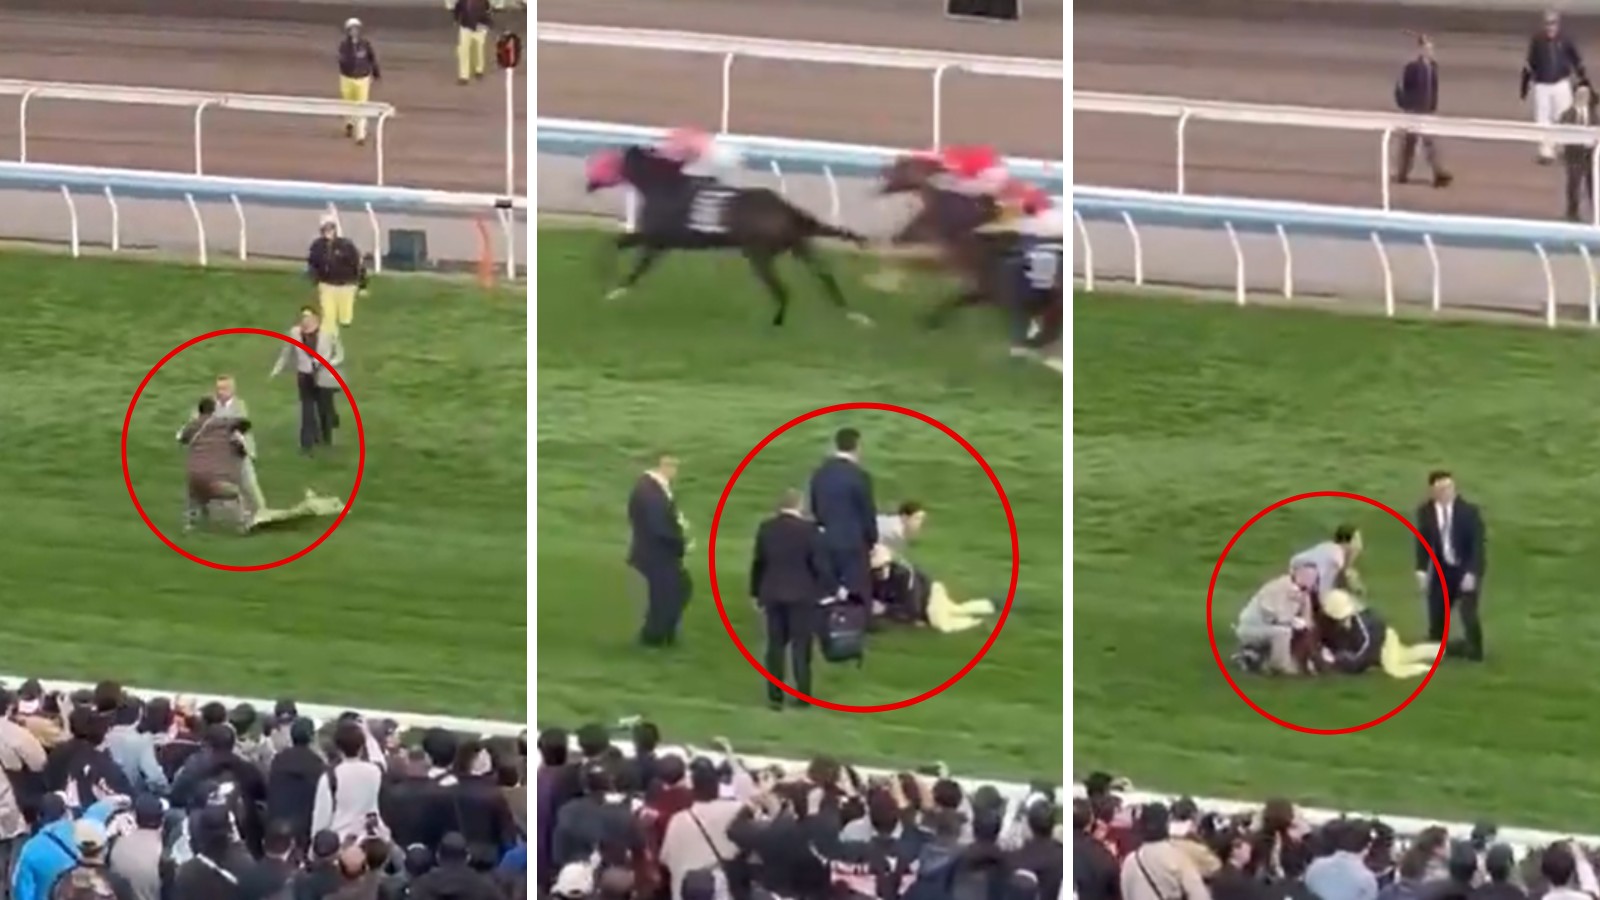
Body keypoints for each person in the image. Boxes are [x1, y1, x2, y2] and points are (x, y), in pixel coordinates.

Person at [749, 488, 833, 709]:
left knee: (775, 646)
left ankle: (775, 695)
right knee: (801, 646)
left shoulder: (766, 528)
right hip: (802, 595)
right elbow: (819, 564)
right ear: (799, 505)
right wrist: (828, 589)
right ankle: (803, 694)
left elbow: (759, 563)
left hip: (773, 594)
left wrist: (755, 592)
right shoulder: (809, 531)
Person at [1413, 470, 1487, 661]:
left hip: (1465, 569)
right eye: (1441, 489)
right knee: (1437, 612)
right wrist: (1421, 570)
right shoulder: (1426, 512)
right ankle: (1439, 645)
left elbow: (1477, 545)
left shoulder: (1469, 512)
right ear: (1432, 491)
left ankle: (1475, 650)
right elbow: (1423, 542)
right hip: (1443, 570)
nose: (1446, 492)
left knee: (1467, 611)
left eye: (1449, 488)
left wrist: (1471, 572)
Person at [628, 454, 692, 648]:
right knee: (671, 593)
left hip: (655, 551)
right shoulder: (650, 492)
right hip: (656, 553)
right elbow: (658, 526)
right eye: (673, 466)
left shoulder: (652, 488)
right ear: (663, 466)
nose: (675, 472)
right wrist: (681, 542)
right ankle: (654, 637)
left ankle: (662, 635)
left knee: (674, 591)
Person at [808, 428, 878, 604]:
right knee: (856, 589)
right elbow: (866, 511)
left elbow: (814, 506)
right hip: (853, 541)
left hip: (826, 538)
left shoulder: (820, 474)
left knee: (829, 588)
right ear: (857, 447)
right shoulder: (859, 476)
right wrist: (872, 539)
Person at [270, 307, 345, 455]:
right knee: (307, 409)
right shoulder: (294, 333)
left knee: (324, 408)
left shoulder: (329, 332)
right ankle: (306, 444)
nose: (305, 320)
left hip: (323, 374)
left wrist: (327, 363)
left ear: (316, 319)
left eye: (308, 317)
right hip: (305, 375)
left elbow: (340, 354)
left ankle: (326, 438)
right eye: (303, 317)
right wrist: (276, 369)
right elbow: (286, 353)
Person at [1318, 589, 1440, 678]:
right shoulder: (1333, 624)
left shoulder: (1363, 624)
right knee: (1405, 655)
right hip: (1377, 643)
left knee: (1395, 669)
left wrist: (1338, 659)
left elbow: (1364, 653)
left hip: (1385, 641)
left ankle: (1427, 668)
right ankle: (1438, 650)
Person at [178, 397, 254, 533]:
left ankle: (190, 524)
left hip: (195, 478)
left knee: (195, 495)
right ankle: (243, 525)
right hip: (216, 480)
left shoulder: (193, 426)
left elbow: (181, 438)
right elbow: (245, 423)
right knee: (235, 494)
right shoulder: (223, 424)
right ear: (214, 410)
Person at [1522, 10, 1586, 162]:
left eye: (1553, 24)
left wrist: (1582, 80)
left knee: (1564, 116)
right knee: (1543, 119)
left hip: (1561, 84)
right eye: (1547, 24)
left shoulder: (1566, 40)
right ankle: (1546, 151)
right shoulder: (1537, 41)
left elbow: (1576, 61)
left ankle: (1565, 148)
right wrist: (1524, 86)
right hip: (1542, 85)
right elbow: (1530, 65)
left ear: (1558, 25)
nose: (1550, 27)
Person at [1233, 563, 1319, 675]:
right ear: (1296, 574)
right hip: (1254, 627)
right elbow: (1271, 615)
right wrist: (1291, 621)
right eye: (1307, 576)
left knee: (1302, 632)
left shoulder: (1303, 593)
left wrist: (1304, 618)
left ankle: (1255, 658)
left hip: (1272, 627)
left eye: (1313, 577)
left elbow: (1308, 620)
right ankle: (1280, 666)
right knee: (1283, 632)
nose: (1310, 580)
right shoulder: (1277, 587)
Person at [1393, 34, 1452, 188]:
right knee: (1411, 144)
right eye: (1427, 48)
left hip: (1426, 112)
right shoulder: (1412, 68)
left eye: (1431, 48)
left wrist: (1432, 107)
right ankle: (1404, 173)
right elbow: (1403, 89)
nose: (1430, 51)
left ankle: (1437, 173)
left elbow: (1434, 89)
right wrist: (1407, 107)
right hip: (1414, 112)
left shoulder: (1432, 67)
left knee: (1426, 143)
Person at [306, 216, 367, 334]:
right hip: (326, 285)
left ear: (335, 229)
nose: (328, 231)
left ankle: (344, 328)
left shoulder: (346, 245)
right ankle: (329, 337)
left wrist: (362, 284)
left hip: (346, 285)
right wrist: (315, 278)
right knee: (328, 317)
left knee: (345, 319)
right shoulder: (317, 246)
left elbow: (357, 265)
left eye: (330, 228)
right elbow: (313, 263)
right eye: (325, 229)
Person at [1289, 524, 1366, 606]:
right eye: (1356, 541)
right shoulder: (1335, 559)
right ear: (1345, 542)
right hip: (1297, 594)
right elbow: (1322, 592)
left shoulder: (1327, 547)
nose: (1359, 547)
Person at [337, 17, 381, 145]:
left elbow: (372, 59)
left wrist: (376, 73)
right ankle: (349, 123)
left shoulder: (365, 45)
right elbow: (341, 61)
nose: (354, 31)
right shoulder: (344, 46)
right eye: (351, 29)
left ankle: (360, 135)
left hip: (362, 79)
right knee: (348, 103)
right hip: (347, 79)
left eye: (356, 29)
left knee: (362, 105)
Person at [1562, 81, 1598, 221]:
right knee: (1574, 185)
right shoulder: (1567, 115)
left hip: (1590, 156)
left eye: (1585, 94)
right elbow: (1563, 133)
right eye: (1580, 94)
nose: (1583, 97)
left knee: (1593, 186)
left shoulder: (1594, 115)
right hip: (1575, 156)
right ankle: (1572, 213)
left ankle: (1596, 213)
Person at [453, 0, 493, 84]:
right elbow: (457, 9)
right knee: (463, 51)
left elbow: (488, 13)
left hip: (479, 28)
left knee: (478, 49)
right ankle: (464, 76)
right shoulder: (462, 1)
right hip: (465, 27)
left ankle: (478, 69)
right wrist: (456, 20)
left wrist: (486, 26)